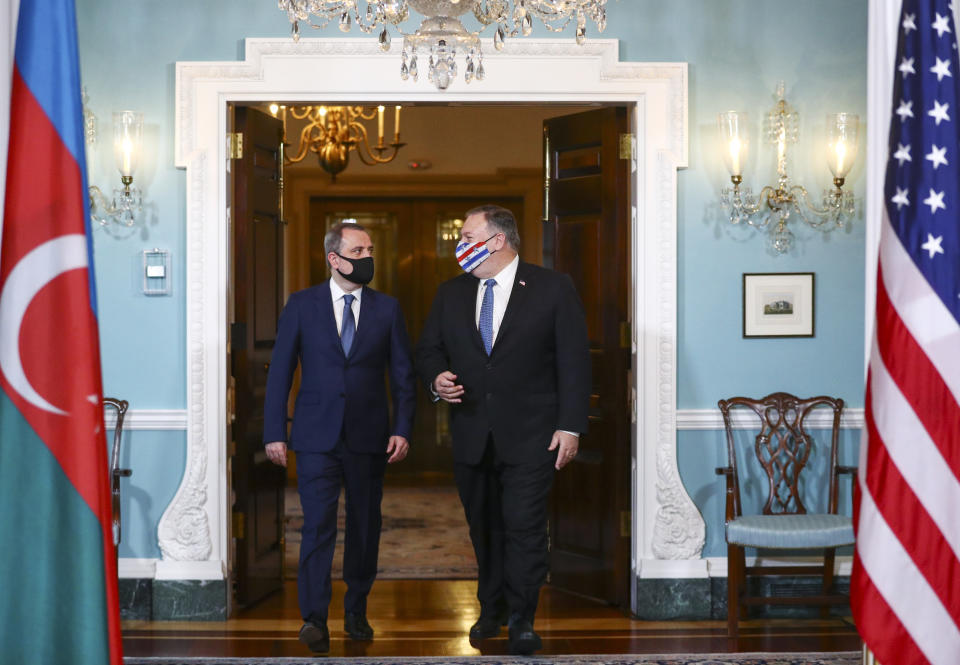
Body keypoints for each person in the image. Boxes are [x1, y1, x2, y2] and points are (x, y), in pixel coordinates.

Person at [415, 205, 590, 655]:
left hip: (534, 435)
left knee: (525, 526)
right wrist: (436, 378)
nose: (459, 243)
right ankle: (489, 608)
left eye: (467, 234)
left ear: (496, 240)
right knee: (483, 529)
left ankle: (522, 617)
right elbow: (429, 350)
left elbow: (574, 361)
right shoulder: (450, 293)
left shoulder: (553, 288)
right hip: (472, 433)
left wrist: (570, 427)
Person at [263, 222, 415, 654]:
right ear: (334, 258)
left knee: (366, 526)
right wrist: (275, 431)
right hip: (314, 436)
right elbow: (279, 372)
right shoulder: (302, 305)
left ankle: (356, 611)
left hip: (370, 437)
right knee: (317, 527)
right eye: (359, 249)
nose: (368, 256)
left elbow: (403, 374)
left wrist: (402, 427)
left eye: (371, 249)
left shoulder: (388, 309)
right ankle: (313, 618)